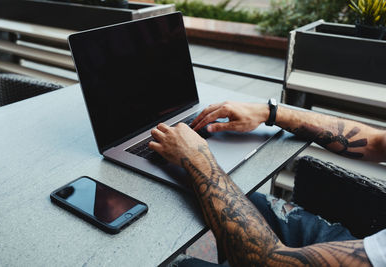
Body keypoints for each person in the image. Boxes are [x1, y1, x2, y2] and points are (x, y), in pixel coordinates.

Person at [148, 100, 386, 267]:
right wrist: (270, 113)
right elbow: (376, 142)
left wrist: (197, 159)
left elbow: (266, 261)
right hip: (365, 243)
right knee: (245, 197)